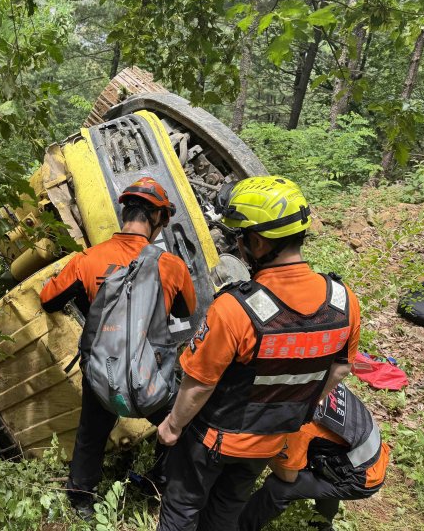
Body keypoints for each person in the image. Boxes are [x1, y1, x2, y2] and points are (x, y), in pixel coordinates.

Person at [156, 176, 361, 531]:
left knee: (182, 508)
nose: (238, 246)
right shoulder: (343, 303)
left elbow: (199, 385)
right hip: (270, 441)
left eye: (240, 238)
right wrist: (297, 407)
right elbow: (340, 371)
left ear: (258, 241)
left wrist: (172, 428)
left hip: (213, 440)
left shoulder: (236, 308)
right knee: (225, 513)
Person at [39, 176, 197, 515]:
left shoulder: (88, 259)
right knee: (178, 425)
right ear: (157, 218)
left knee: (91, 432)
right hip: (150, 375)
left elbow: (49, 299)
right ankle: (159, 481)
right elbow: (187, 312)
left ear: (124, 211)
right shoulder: (171, 266)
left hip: (102, 371)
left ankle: (81, 497)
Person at [238, 383, 389, 531]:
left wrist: (265, 448)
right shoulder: (319, 376)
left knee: (278, 488)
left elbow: (287, 476)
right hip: (365, 450)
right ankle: (322, 524)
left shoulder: (296, 422)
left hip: (363, 476)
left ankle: (238, 527)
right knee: (326, 470)